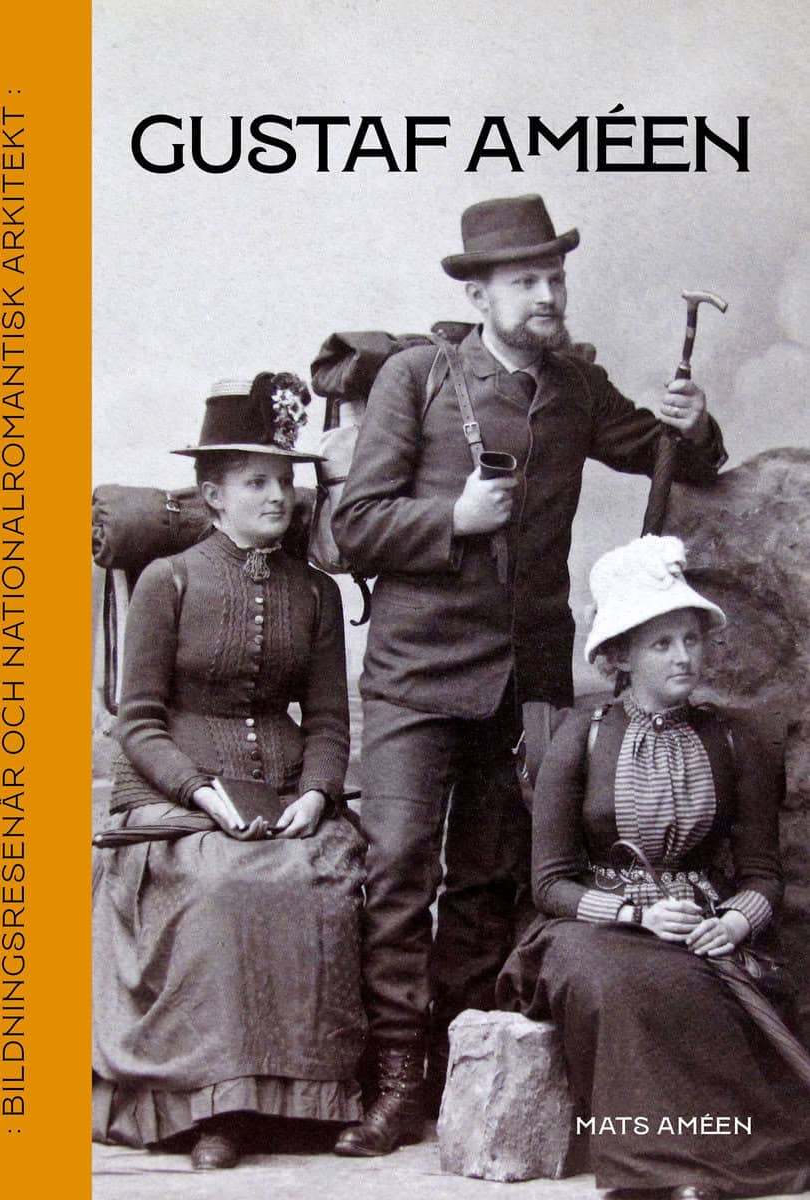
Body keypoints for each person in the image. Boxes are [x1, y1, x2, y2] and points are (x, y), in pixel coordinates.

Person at [330, 194, 727, 1156]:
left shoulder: (575, 386)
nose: (546, 295)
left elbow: (670, 457)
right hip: (416, 674)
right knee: (397, 869)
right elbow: (353, 528)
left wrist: (694, 423)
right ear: (479, 294)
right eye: (524, 281)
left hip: (526, 678)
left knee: (491, 875)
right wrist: (452, 520)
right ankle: (395, 1077)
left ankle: (459, 1059)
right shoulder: (417, 378)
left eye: (554, 277)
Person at [93, 374, 367, 1170]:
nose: (277, 495)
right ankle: (213, 1106)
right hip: (174, 799)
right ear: (212, 496)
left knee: (326, 877)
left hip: (283, 796)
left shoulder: (314, 592)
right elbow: (137, 721)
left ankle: (300, 1101)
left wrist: (315, 794)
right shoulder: (168, 580)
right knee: (220, 884)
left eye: (284, 480)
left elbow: (327, 720)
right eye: (255, 482)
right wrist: (202, 791)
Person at [497, 534, 810, 1198]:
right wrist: (636, 914)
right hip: (589, 929)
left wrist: (732, 922)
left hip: (702, 926)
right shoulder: (578, 738)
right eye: (661, 644)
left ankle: (726, 1158)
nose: (683, 656)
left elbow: (762, 873)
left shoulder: (735, 740)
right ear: (620, 656)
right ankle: (655, 1168)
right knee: (619, 983)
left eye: (691, 639)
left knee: (703, 985)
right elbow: (549, 883)